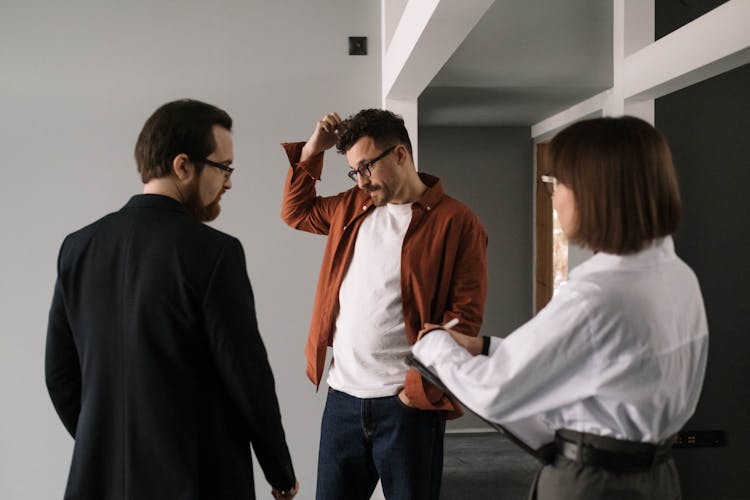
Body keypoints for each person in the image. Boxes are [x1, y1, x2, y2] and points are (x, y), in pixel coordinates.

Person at [412, 115, 709, 499]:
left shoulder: (597, 295)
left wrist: (435, 344)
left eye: (556, 183)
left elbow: (494, 391)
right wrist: (484, 346)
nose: (553, 196)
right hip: (659, 477)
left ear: (593, 191)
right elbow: (604, 363)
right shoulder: (677, 275)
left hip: (594, 483)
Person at [46, 99, 299, 500]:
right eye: (224, 167)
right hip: (197, 479)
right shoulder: (214, 252)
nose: (229, 182)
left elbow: (60, 374)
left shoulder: (78, 247)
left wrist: (108, 445)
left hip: (100, 481)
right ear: (183, 165)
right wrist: (280, 471)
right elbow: (248, 377)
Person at [280, 109, 488, 499]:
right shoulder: (350, 208)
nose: (361, 180)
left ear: (399, 155)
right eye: (353, 172)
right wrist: (312, 149)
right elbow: (296, 211)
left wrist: (415, 390)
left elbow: (464, 317)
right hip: (342, 400)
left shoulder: (457, 222)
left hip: (407, 407)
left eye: (366, 167)